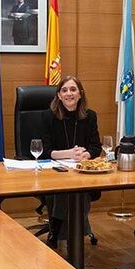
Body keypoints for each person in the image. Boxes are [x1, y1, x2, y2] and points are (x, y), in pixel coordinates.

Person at [40, 75, 102, 245]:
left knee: (78, 188)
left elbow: (96, 147)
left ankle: (57, 229)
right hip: (54, 171)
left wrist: (85, 155)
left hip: (81, 169)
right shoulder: (48, 116)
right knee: (66, 188)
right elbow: (45, 152)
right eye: (64, 90)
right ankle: (74, 237)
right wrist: (68, 153)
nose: (69, 93)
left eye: (73, 89)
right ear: (59, 95)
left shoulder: (90, 116)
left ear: (80, 94)